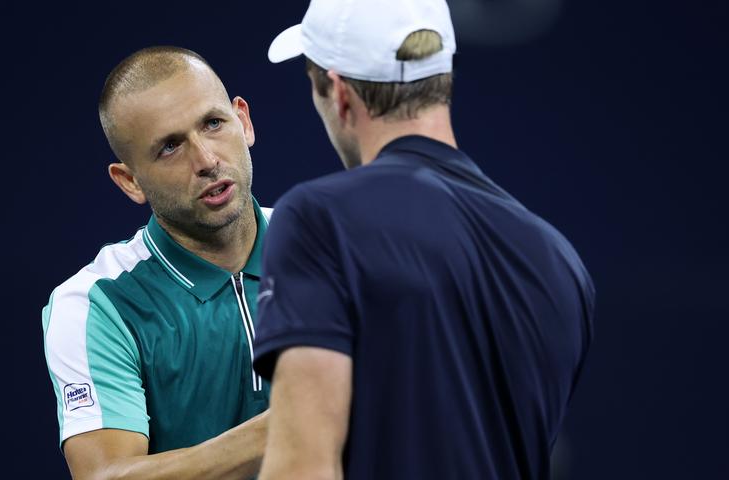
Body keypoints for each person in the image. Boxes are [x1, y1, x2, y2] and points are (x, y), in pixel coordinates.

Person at [252, 1, 595, 479]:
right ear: (441, 80)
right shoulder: (559, 259)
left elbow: (302, 469)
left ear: (339, 92)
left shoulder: (318, 219)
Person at [42, 46, 270, 479]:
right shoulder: (95, 305)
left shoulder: (336, 252)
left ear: (244, 120)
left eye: (213, 124)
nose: (206, 161)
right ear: (130, 181)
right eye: (169, 147)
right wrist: (288, 426)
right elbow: (104, 476)